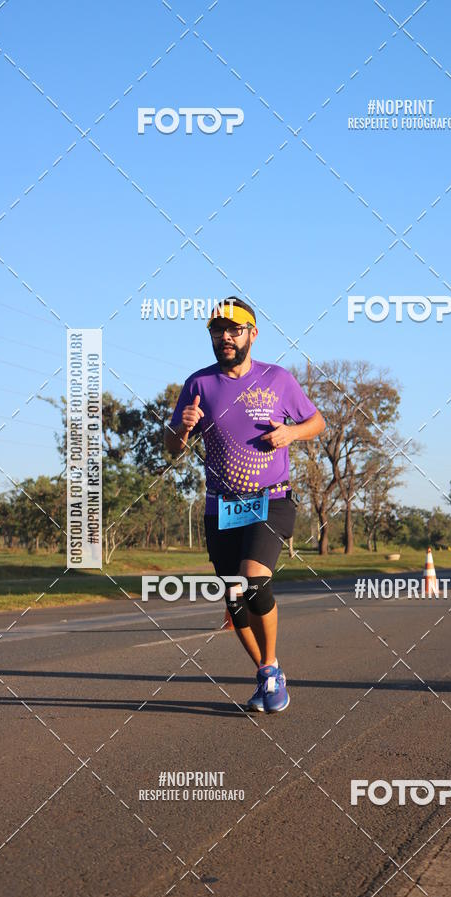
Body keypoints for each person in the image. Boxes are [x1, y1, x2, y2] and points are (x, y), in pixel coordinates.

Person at [165, 297, 325, 713]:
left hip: (271, 498)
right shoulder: (198, 384)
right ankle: (268, 674)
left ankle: (270, 666)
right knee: (234, 598)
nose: (225, 337)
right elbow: (171, 448)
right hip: (221, 506)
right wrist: (181, 429)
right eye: (218, 330)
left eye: (234, 330)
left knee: (253, 582)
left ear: (252, 333)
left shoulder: (277, 379)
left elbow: (317, 422)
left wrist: (291, 433)